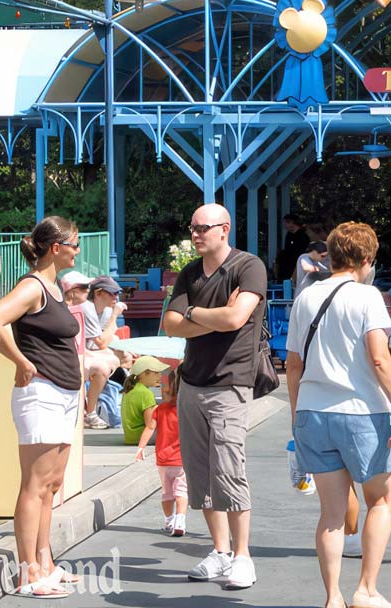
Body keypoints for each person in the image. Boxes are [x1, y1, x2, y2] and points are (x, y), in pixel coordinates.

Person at [285, 221, 391, 608]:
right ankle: (366, 591)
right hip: (362, 411)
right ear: (367, 260)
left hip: (312, 411)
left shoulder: (304, 297)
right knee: (380, 502)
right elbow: (379, 357)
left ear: (333, 255)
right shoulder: (367, 296)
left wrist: (296, 412)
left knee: (331, 515)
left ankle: (332, 597)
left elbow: (292, 364)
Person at [162, 203, 268, 590]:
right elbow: (171, 326)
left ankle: (243, 556)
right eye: (192, 227)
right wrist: (210, 312)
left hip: (230, 382)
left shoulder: (248, 266)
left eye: (203, 228)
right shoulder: (190, 273)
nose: (195, 234)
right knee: (200, 472)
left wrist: (194, 315)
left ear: (224, 229)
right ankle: (220, 550)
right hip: (192, 382)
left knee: (229, 468)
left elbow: (236, 319)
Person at [0, 216, 85, 598]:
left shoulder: (55, 288)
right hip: (41, 394)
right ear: (55, 248)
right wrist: (21, 361)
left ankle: (46, 563)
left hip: (64, 394)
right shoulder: (33, 286)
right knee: (35, 485)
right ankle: (27, 575)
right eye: (73, 243)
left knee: (52, 485)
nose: (77, 249)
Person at [139, 366, 188, 537]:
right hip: (182, 460)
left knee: (167, 492)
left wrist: (141, 447)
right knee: (182, 491)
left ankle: (169, 521)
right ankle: (180, 520)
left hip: (163, 460)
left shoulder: (159, 410)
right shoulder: (186, 410)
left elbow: (149, 428)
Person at [80, 275, 128, 430]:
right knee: (104, 366)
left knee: (122, 355)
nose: (116, 297)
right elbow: (101, 342)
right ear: (98, 293)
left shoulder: (105, 311)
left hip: (88, 350)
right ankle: (91, 413)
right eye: (112, 293)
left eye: (117, 293)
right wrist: (115, 315)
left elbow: (104, 340)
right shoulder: (86, 307)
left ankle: (111, 402)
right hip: (77, 353)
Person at [122, 355, 165, 446]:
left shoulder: (130, 390)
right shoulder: (146, 393)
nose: (160, 376)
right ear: (145, 374)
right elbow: (150, 424)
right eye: (156, 373)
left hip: (130, 438)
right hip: (143, 437)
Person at [276, 214, 310, 281]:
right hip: (286, 266)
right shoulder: (289, 234)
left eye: (287, 222)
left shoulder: (302, 236)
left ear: (294, 223)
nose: (285, 225)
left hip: (295, 266)